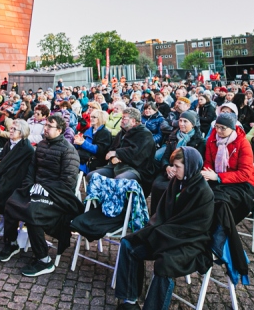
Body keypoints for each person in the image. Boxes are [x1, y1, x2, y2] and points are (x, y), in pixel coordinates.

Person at [113, 147, 214, 310]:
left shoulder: (204, 192)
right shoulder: (177, 182)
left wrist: (159, 233)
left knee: (165, 264)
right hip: (166, 233)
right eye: (173, 166)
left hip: (189, 243)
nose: (173, 170)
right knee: (128, 244)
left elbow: (194, 228)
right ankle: (129, 301)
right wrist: (153, 231)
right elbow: (161, 213)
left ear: (190, 167)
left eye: (177, 167)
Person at [0, 115, 82, 277]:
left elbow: (68, 182)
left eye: (50, 126)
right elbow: (31, 170)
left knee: (32, 214)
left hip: (57, 196)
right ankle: (12, 243)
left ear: (60, 130)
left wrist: (44, 189)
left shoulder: (68, 150)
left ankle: (44, 260)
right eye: (46, 125)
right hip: (36, 189)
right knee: (11, 202)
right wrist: (29, 186)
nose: (46, 129)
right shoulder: (42, 145)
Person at [0, 119, 35, 223]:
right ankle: (3, 215)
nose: (10, 131)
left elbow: (16, 166)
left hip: (17, 177)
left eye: (14, 129)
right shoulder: (10, 143)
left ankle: (7, 218)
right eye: (11, 128)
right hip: (6, 173)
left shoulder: (26, 148)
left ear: (22, 132)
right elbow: (2, 157)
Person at [88, 108, 155, 185]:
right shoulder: (122, 132)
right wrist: (113, 157)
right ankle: (100, 197)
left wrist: (117, 154)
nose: (121, 120)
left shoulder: (145, 134)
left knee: (119, 180)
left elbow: (136, 154)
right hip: (116, 166)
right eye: (121, 118)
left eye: (124, 118)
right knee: (92, 176)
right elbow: (111, 149)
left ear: (133, 121)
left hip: (136, 169)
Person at [74, 109, 112, 174]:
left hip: (93, 161)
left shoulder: (105, 133)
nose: (91, 119)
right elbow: (80, 145)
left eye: (94, 117)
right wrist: (77, 141)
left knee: (70, 165)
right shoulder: (88, 130)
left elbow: (99, 150)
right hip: (82, 157)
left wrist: (83, 143)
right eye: (91, 117)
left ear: (100, 119)